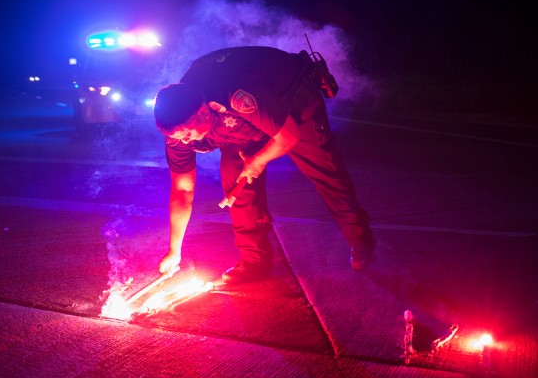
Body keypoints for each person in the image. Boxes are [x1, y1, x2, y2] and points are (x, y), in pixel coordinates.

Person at [153, 46, 375, 284]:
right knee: (236, 181)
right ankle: (254, 260)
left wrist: (257, 161)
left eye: (187, 134)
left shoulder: (235, 95)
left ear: (203, 113)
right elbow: (183, 191)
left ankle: (360, 241)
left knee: (325, 171)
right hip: (240, 124)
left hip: (291, 101)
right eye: (178, 138)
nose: (184, 142)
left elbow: (288, 137)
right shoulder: (177, 130)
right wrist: (174, 251)